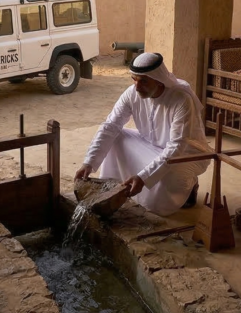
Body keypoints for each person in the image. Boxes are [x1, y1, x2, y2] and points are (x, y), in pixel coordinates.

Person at [74, 53, 210, 216]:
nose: (137, 87)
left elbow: (176, 147)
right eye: (134, 79)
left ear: (159, 80)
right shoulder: (132, 93)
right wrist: (89, 162)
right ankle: (113, 191)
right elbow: (110, 126)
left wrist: (144, 178)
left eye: (144, 81)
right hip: (152, 145)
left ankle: (190, 185)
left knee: (163, 184)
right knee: (116, 136)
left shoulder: (181, 100)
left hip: (186, 154)